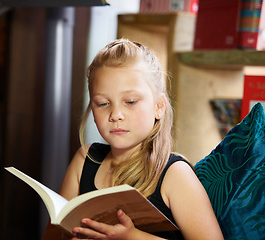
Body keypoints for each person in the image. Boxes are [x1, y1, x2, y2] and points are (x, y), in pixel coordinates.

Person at [42, 39, 224, 240]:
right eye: (103, 104)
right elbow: (51, 235)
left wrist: (133, 237)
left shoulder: (174, 175)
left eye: (130, 102)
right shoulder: (84, 160)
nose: (116, 114)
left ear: (159, 106)